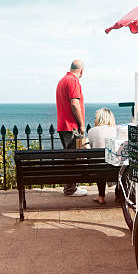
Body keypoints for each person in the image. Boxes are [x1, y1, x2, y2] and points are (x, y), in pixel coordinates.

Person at [56, 59, 87, 196]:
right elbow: (75, 104)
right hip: (71, 126)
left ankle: (71, 187)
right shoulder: (73, 81)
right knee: (72, 159)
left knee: (69, 157)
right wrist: (81, 125)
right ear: (81, 71)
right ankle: (70, 189)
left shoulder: (62, 80)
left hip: (63, 125)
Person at [87, 107, 116, 204]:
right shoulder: (116, 130)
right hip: (115, 168)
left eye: (96, 117)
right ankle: (119, 195)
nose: (94, 119)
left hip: (99, 169)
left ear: (100, 118)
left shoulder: (92, 131)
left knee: (99, 162)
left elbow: (92, 147)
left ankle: (101, 196)